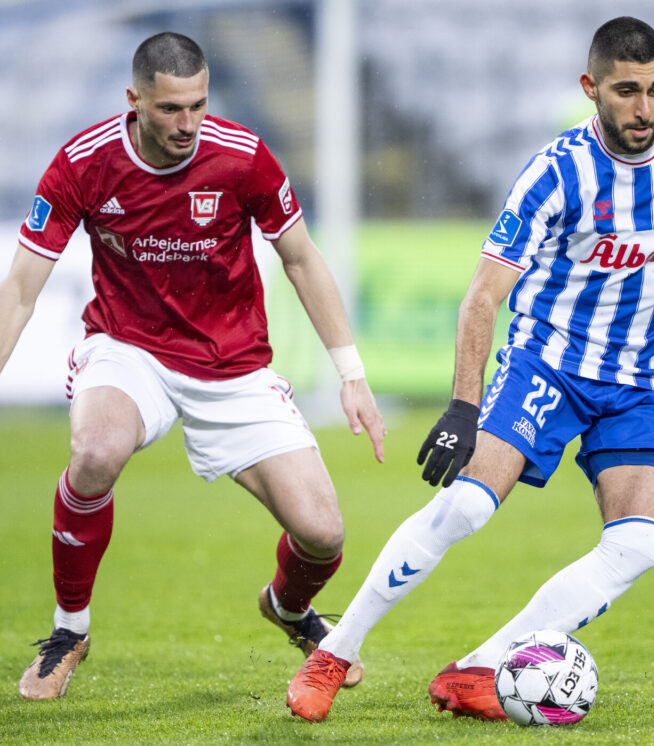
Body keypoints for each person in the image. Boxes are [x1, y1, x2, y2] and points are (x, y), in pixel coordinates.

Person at [285, 16, 654, 723]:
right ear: (590, 87)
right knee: (470, 504)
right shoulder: (556, 171)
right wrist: (462, 407)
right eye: (627, 91)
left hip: (643, 383)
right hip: (550, 364)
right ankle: (336, 651)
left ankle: (481, 667)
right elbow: (483, 295)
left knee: (642, 542)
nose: (644, 109)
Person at [3, 32, 386, 700]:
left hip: (233, 364)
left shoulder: (242, 158)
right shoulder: (84, 163)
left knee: (323, 534)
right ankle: (70, 631)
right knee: (94, 451)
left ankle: (287, 608)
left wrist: (350, 372)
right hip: (129, 348)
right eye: (170, 109)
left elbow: (301, 257)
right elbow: (20, 289)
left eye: (198, 106)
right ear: (134, 100)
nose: (187, 125)